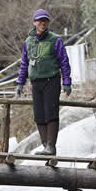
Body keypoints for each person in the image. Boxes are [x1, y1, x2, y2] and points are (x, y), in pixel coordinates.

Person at [16, 9, 72, 156]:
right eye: (40, 20)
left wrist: (67, 81)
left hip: (51, 80)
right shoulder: (28, 42)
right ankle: (45, 145)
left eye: (45, 20)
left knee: (51, 113)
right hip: (36, 82)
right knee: (39, 115)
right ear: (34, 22)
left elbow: (64, 62)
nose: (43, 23)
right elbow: (24, 63)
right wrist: (20, 82)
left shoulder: (55, 40)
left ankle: (51, 147)